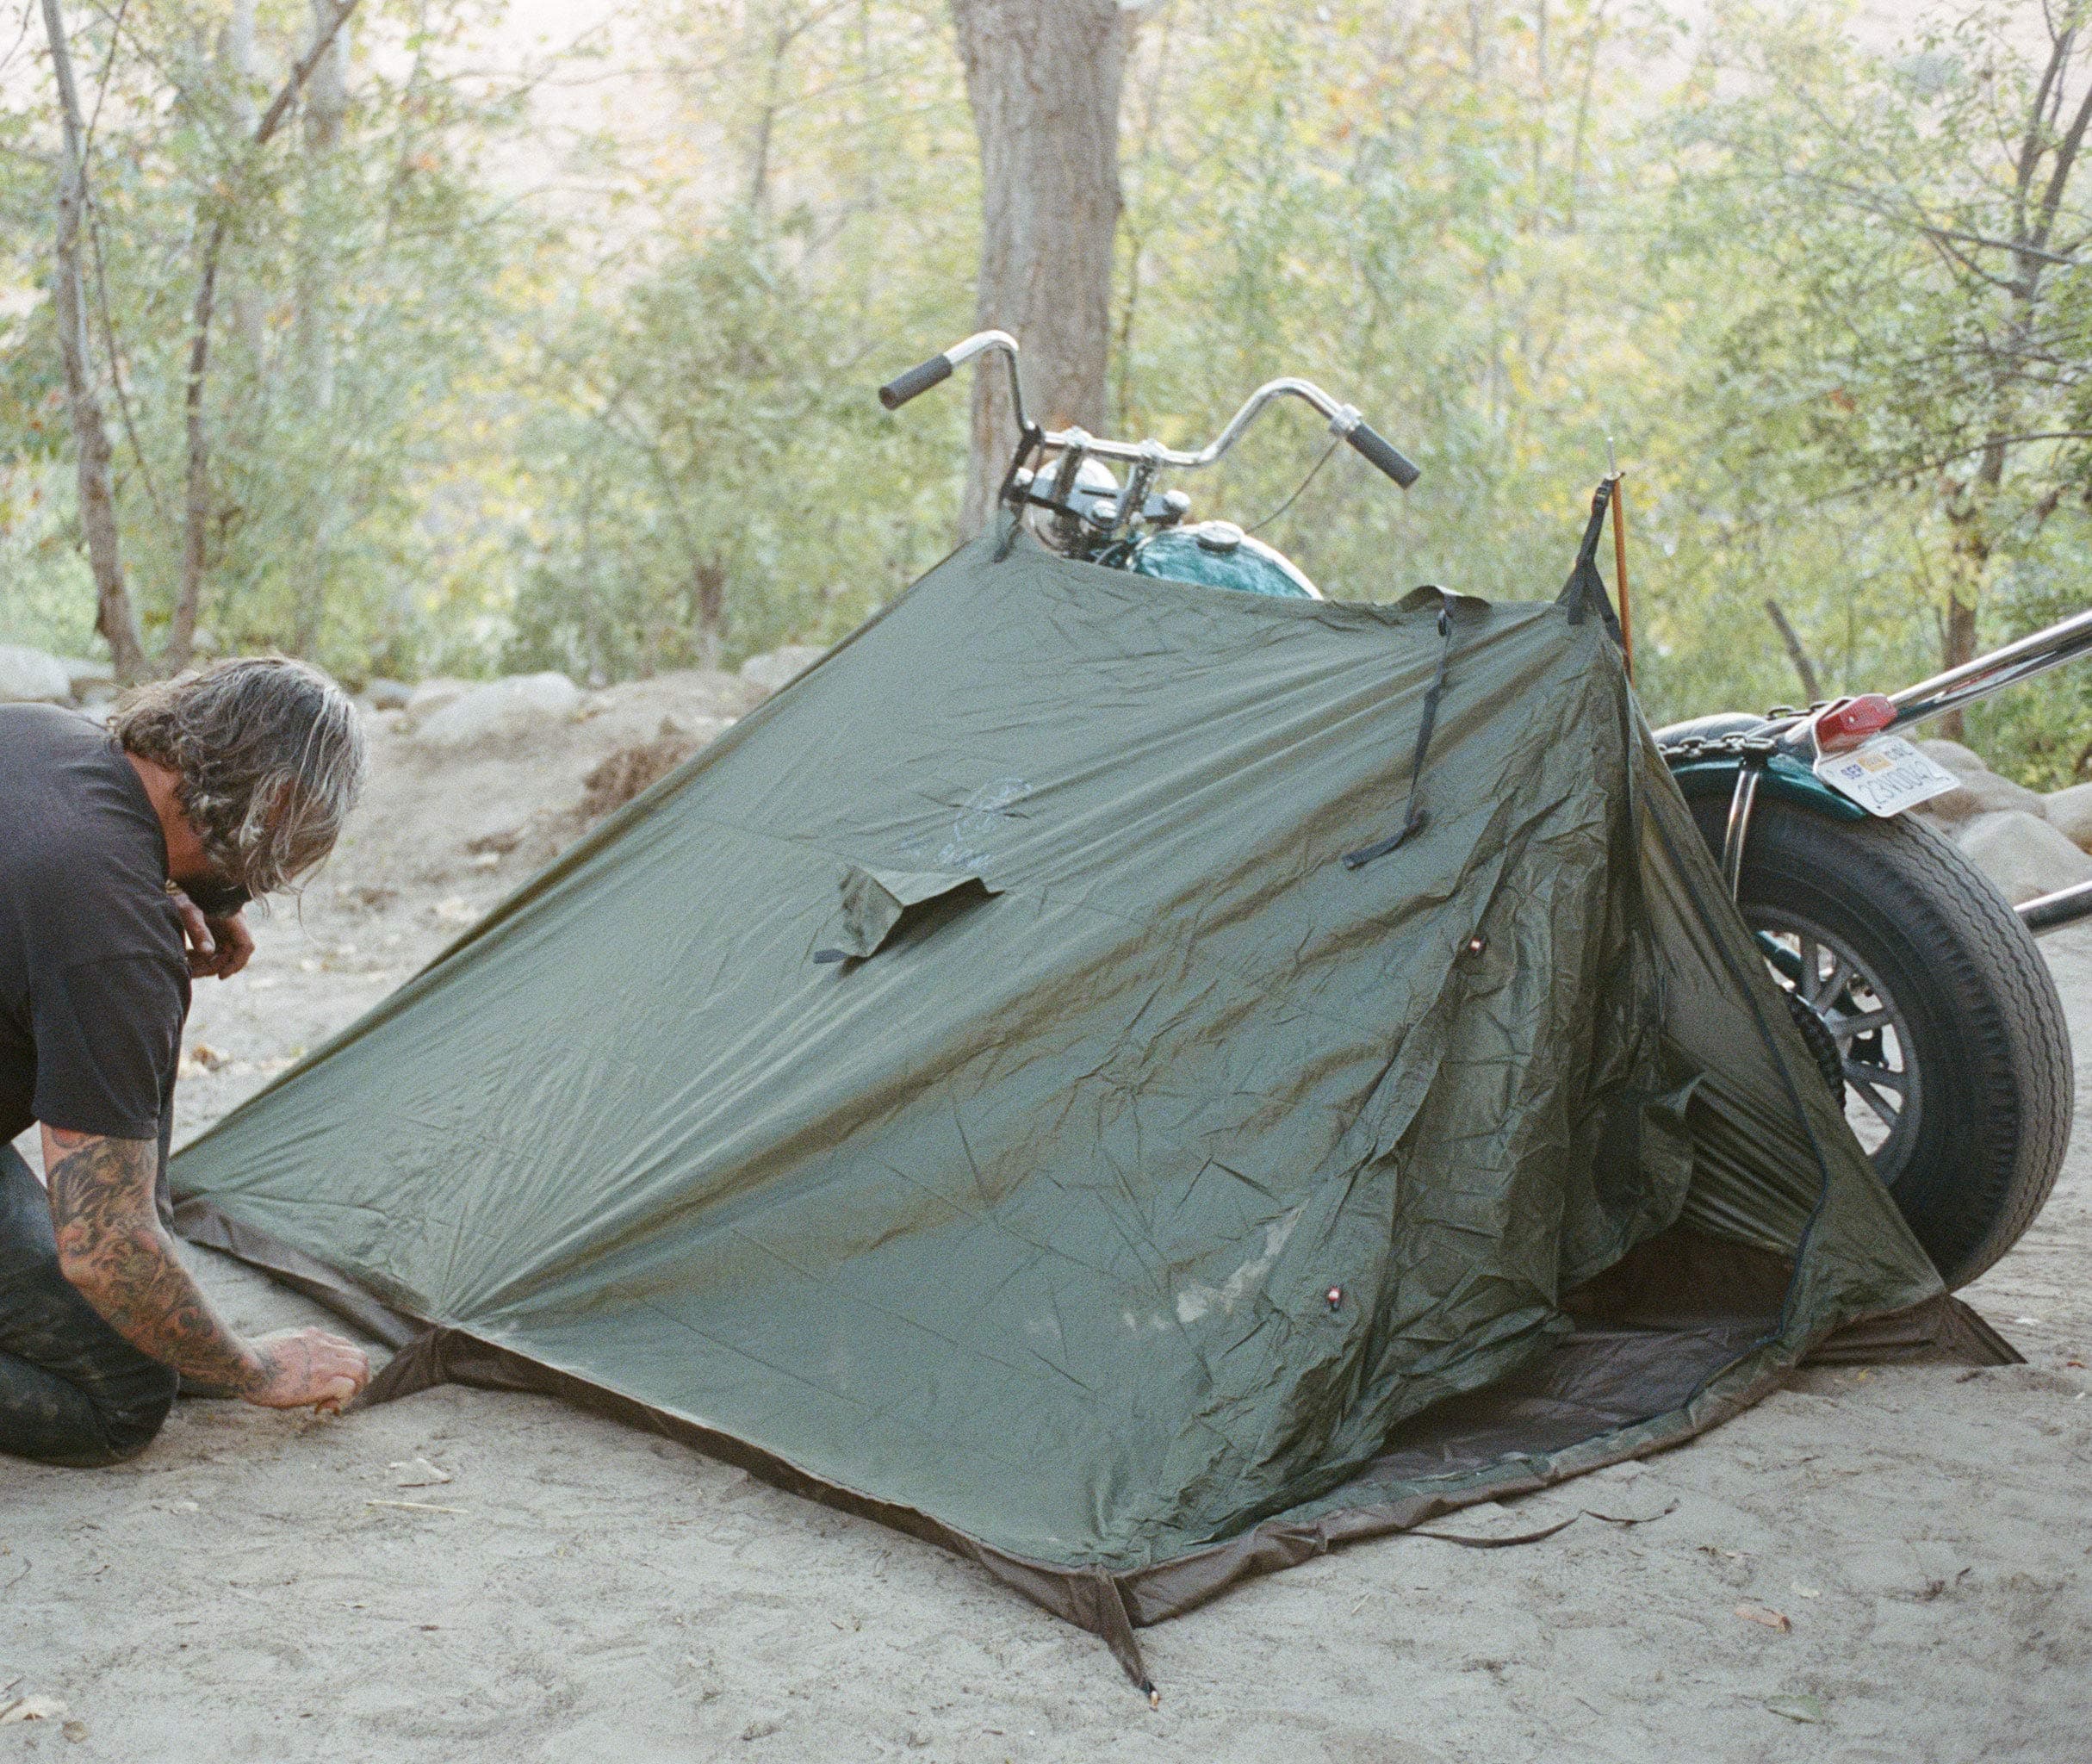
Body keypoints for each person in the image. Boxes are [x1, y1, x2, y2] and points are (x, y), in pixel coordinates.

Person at [1, 657, 373, 1467]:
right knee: (124, 1397)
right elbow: (105, 1251)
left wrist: (156, 890)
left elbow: (47, 870)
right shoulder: (114, 933)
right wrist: (254, 1369)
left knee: (144, 1329)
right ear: (274, 805)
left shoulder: (41, 734)